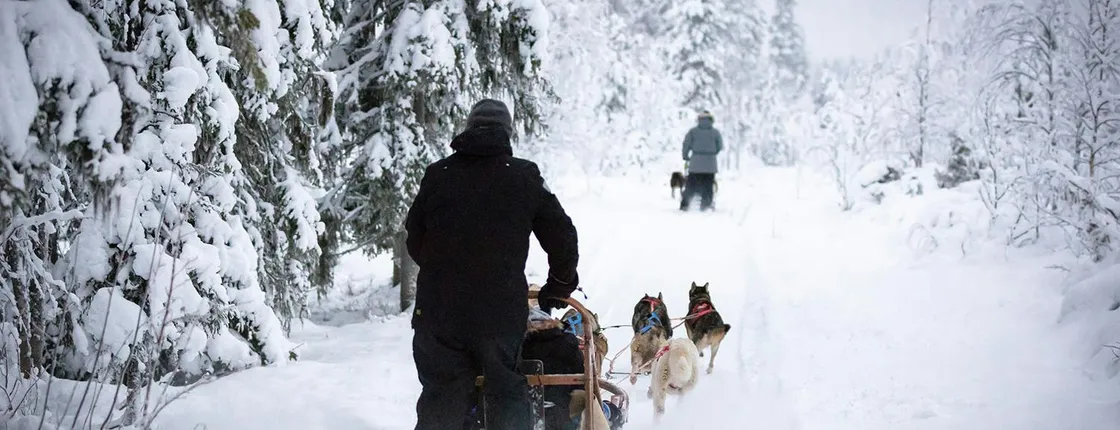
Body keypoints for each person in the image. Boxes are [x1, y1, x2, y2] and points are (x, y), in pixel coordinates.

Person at [405, 98, 581, 430]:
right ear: (507, 133)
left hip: (438, 312)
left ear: (468, 128)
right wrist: (559, 285)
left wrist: (444, 272)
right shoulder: (524, 175)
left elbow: (415, 237)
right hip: (498, 312)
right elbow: (562, 235)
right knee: (505, 391)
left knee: (442, 396)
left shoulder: (438, 174)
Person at [679, 110, 723, 211]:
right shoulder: (715, 133)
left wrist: (685, 156)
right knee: (708, 185)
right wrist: (712, 153)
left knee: (691, 185)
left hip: (695, 163)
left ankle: (685, 205)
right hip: (710, 164)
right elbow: (719, 146)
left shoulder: (693, 132)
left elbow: (686, 144)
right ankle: (705, 205)